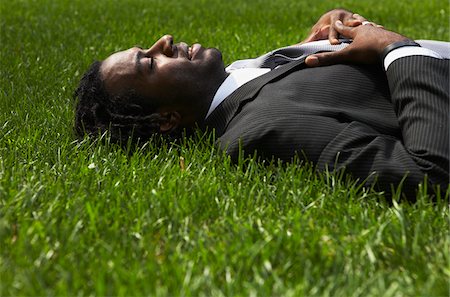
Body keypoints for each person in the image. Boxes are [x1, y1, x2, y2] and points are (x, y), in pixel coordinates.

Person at [74, 9, 449, 198]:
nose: (165, 40)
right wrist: (397, 49)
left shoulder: (244, 75)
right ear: (167, 119)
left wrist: (326, 37)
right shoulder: (260, 129)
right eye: (151, 62)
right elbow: (428, 174)